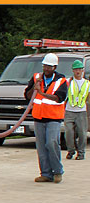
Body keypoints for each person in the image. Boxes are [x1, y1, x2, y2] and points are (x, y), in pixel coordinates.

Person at [24, 53, 68, 183]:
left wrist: (42, 93)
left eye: (49, 67)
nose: (46, 69)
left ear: (54, 67)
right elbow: (27, 95)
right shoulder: (36, 77)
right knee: (41, 146)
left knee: (51, 143)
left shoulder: (61, 81)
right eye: (45, 66)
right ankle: (45, 173)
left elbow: (59, 98)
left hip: (54, 118)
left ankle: (57, 171)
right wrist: (34, 87)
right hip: (39, 117)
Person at [64, 59, 87, 160]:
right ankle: (71, 150)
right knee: (69, 132)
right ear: (73, 70)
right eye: (76, 69)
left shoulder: (87, 83)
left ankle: (81, 153)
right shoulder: (68, 82)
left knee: (82, 133)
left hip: (81, 111)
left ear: (83, 70)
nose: (78, 71)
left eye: (79, 69)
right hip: (69, 110)